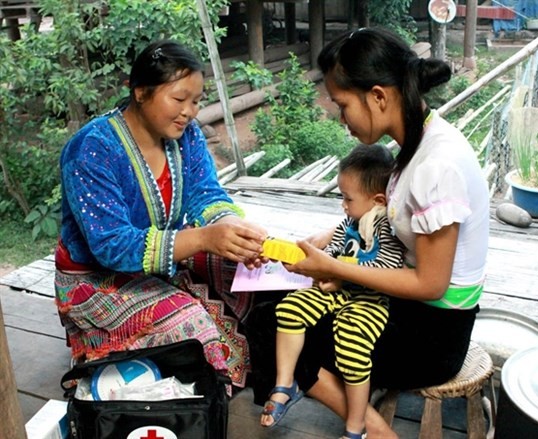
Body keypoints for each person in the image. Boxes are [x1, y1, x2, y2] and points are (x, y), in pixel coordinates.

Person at [246, 26, 489, 439]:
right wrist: (329, 242)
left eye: (342, 106)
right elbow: (392, 222)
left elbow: (431, 283)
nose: (342, 120)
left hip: (432, 336)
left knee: (269, 326)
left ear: (378, 96)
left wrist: (339, 270)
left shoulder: (436, 165)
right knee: (270, 298)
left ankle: (373, 430)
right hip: (414, 310)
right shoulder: (418, 142)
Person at [54, 39, 268, 392]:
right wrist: (201, 238)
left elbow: (205, 193)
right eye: (179, 99)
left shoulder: (187, 137)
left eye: (197, 101)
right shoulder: (90, 149)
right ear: (140, 92)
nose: (190, 111)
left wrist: (230, 227)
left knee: (244, 270)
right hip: (96, 278)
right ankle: (102, 345)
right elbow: (112, 246)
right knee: (192, 326)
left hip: (163, 261)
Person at [260, 144, 405, 438]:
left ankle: (356, 427)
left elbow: (386, 269)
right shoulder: (348, 222)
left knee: (352, 348)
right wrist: (309, 260)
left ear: (378, 200)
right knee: (289, 308)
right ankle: (285, 383)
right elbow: (335, 250)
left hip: (369, 298)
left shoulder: (387, 230)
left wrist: (338, 275)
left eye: (347, 198)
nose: (343, 205)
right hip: (338, 288)